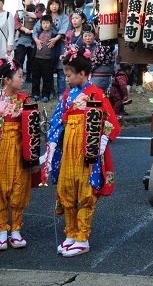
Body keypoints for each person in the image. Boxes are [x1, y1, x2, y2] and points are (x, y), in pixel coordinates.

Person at [45, 45, 121, 257]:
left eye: (69, 75)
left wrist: (101, 142)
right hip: (68, 147)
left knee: (86, 191)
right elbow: (57, 121)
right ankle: (70, 233)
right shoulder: (68, 95)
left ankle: (82, 237)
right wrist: (52, 145)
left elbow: (111, 122)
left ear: (82, 74)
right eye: (65, 75)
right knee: (67, 187)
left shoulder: (96, 94)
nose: (67, 79)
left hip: (88, 149)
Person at [0, 57, 37, 250]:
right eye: (19, 76)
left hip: (19, 148)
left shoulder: (25, 100)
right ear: (7, 80)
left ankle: (16, 229)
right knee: (0, 186)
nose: (23, 80)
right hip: (1, 147)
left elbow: (32, 128)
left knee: (19, 186)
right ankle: (1, 230)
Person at [35, 0, 69, 97]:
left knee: (60, 69)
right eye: (52, 4)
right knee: (48, 69)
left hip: (59, 45)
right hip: (46, 47)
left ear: (59, 5)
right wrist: (37, 40)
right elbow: (35, 29)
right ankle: (49, 91)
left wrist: (55, 39)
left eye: (56, 4)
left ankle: (61, 93)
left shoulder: (64, 17)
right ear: (49, 6)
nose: (54, 6)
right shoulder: (44, 17)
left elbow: (64, 29)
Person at [83, 25, 115, 93]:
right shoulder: (81, 49)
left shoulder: (100, 47)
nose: (87, 38)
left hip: (99, 75)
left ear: (95, 36)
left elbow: (98, 60)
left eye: (90, 36)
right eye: (85, 36)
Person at [14, 0, 37, 83]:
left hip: (33, 39)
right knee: (19, 59)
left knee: (31, 60)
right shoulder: (19, 12)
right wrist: (25, 29)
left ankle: (29, 76)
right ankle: (17, 76)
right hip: (22, 38)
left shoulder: (36, 12)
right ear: (23, 2)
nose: (30, 0)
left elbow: (40, 18)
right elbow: (17, 24)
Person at [32, 14, 55, 102]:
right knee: (35, 77)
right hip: (36, 58)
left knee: (47, 78)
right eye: (43, 23)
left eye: (47, 23)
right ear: (41, 24)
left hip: (47, 59)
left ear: (51, 24)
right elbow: (33, 37)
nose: (45, 25)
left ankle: (46, 94)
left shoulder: (53, 34)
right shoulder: (38, 33)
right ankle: (35, 93)